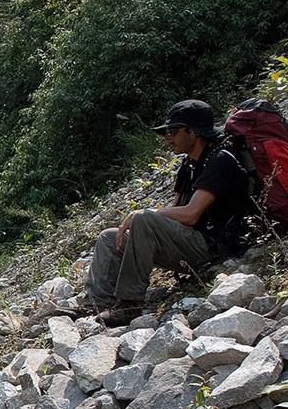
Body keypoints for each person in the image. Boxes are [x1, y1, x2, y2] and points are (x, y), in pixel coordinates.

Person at [80, 99, 252, 327]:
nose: (167, 138)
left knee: (143, 218)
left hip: (214, 247)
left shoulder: (221, 161)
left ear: (193, 132)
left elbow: (191, 214)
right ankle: (96, 301)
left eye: (172, 131)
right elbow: (174, 210)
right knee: (109, 237)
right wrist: (148, 221)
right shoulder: (190, 164)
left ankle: (129, 304)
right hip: (190, 242)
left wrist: (143, 215)